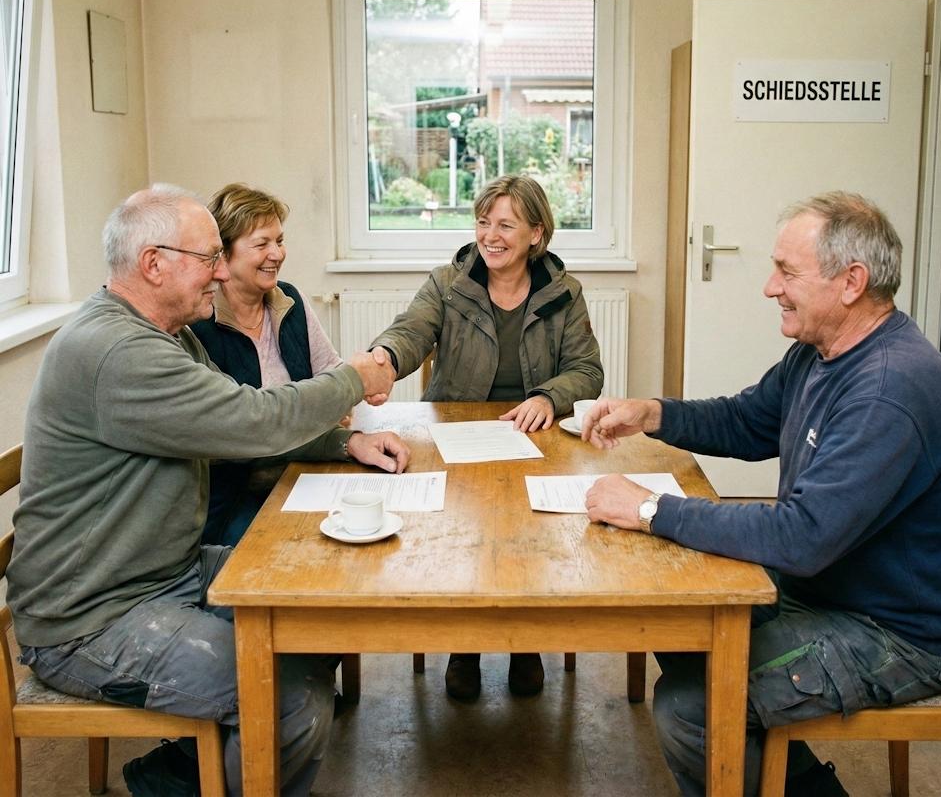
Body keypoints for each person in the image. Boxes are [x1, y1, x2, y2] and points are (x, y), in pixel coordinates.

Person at [582, 191, 941, 797]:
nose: (771, 287)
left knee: (691, 709)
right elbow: (748, 421)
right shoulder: (820, 353)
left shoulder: (888, 389)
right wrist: (653, 413)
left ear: (851, 282)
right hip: (827, 591)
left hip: (896, 635)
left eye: (787, 273)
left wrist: (648, 508)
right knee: (676, 622)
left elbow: (801, 538)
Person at [6, 184, 397, 797]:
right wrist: (354, 377)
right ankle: (199, 778)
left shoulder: (169, 334)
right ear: (153, 263)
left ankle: (182, 775)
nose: (220, 272)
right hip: (90, 618)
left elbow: (235, 431)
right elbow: (257, 420)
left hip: (164, 574)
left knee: (313, 612)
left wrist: (343, 444)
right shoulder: (118, 351)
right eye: (208, 257)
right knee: (292, 699)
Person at [370, 173, 604, 701]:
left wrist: (547, 397)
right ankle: (464, 646)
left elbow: (587, 370)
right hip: (457, 435)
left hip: (535, 438)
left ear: (536, 234)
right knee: (462, 536)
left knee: (531, 538)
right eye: (483, 222)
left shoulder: (565, 293)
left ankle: (526, 643)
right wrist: (382, 358)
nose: (490, 236)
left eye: (506, 225)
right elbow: (410, 331)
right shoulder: (447, 283)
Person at [191, 183, 408, 546]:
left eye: (279, 240)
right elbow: (245, 432)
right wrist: (326, 408)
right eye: (261, 244)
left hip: (306, 473)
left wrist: (342, 416)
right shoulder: (198, 323)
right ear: (224, 254)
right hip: (235, 494)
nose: (277, 253)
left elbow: (335, 384)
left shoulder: (289, 300)